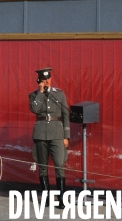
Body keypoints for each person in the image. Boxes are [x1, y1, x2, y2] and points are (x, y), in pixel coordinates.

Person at [29, 67, 70, 208]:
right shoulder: (34, 95)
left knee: (59, 165)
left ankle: (62, 199)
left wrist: (66, 136)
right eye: (44, 79)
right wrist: (40, 92)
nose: (47, 81)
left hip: (57, 133)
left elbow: (65, 115)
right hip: (41, 133)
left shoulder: (59, 94)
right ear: (39, 80)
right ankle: (46, 198)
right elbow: (34, 109)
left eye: (48, 79)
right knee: (43, 167)